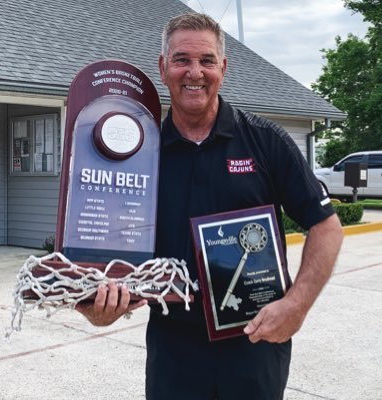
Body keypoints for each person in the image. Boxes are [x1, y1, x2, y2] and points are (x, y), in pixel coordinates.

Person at [77, 12, 344, 400]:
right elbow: (108, 244)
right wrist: (95, 302)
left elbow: (326, 227)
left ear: (224, 67)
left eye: (206, 60)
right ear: (163, 67)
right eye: (182, 59)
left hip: (256, 344)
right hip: (175, 351)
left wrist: (296, 306)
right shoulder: (138, 154)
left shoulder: (265, 142)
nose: (194, 72)